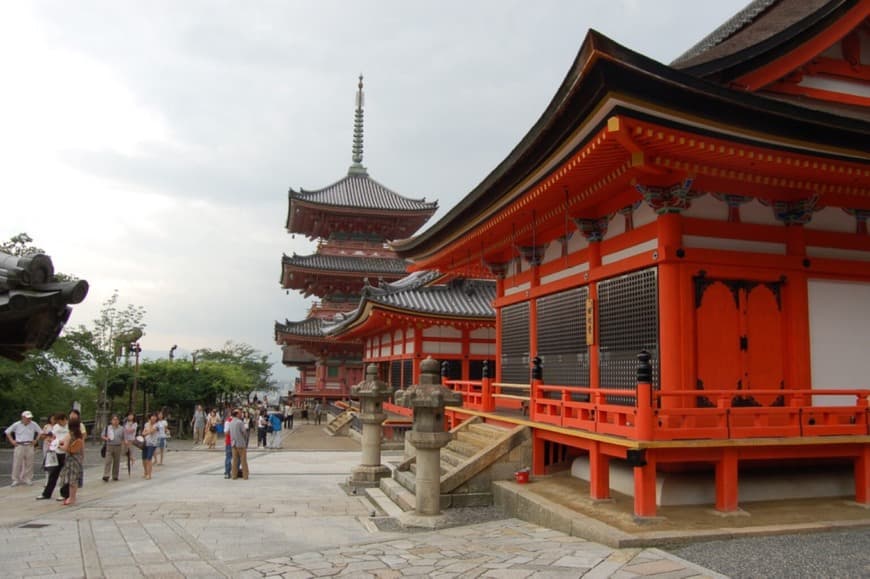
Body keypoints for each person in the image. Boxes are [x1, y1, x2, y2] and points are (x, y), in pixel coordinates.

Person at [5, 410, 43, 487]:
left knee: (29, 463)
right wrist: (12, 441)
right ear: (23, 417)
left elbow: (40, 432)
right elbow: (7, 432)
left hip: (29, 445)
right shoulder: (17, 424)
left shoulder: (33, 424)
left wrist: (36, 440)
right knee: (17, 463)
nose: (29, 419)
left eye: (30, 418)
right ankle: (15, 479)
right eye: (27, 418)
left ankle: (27, 478)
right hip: (19, 445)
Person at [37, 413, 68, 500]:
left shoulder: (69, 427)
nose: (59, 423)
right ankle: (46, 493)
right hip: (57, 451)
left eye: (60, 421)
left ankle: (64, 494)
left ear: (64, 419)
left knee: (65, 475)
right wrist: (51, 440)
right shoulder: (56, 427)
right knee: (53, 474)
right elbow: (51, 435)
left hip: (66, 452)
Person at [57, 416, 85, 505]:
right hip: (78, 458)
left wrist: (59, 446)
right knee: (75, 479)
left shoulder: (70, 434)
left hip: (70, 459)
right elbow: (82, 448)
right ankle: (73, 497)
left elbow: (65, 447)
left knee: (70, 479)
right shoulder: (79, 435)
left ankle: (71, 498)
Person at [101, 415, 124, 482]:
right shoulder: (108, 428)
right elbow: (102, 435)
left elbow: (123, 437)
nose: (115, 421)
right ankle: (106, 475)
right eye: (114, 420)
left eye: (117, 420)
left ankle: (115, 475)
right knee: (108, 460)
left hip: (118, 445)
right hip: (109, 445)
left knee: (116, 461)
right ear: (111, 421)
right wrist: (106, 438)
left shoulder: (121, 428)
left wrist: (123, 446)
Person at [229, 409, 249, 479]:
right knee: (243, 460)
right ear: (237, 414)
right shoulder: (240, 422)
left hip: (233, 443)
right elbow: (244, 432)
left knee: (235, 460)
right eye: (240, 413)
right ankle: (245, 475)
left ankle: (234, 475)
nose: (241, 414)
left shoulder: (230, 422)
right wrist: (245, 439)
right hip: (241, 443)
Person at [141, 413, 159, 479]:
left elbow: (151, 432)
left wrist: (149, 426)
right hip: (145, 443)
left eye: (155, 417)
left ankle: (149, 474)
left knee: (149, 459)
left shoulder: (157, 425)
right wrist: (146, 431)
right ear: (150, 417)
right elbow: (143, 433)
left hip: (152, 444)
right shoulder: (146, 424)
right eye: (152, 416)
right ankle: (145, 472)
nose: (153, 418)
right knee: (143, 459)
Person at [223, 410, 234, 478]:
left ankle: (234, 471)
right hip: (229, 442)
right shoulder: (228, 421)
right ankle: (227, 472)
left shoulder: (237, 421)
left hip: (235, 442)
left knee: (235, 458)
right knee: (229, 457)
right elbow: (226, 433)